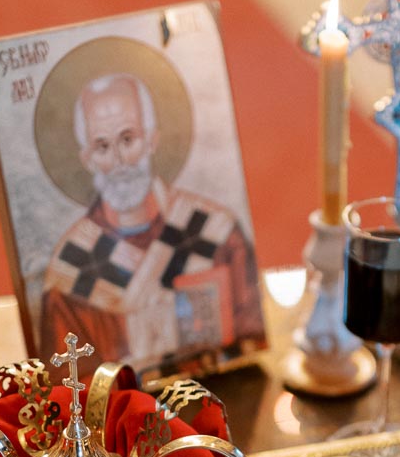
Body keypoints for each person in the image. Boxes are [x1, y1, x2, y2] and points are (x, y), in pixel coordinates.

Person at [39, 72, 264, 372]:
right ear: (87, 158)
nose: (119, 161)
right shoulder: (72, 268)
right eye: (103, 147)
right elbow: (67, 390)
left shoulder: (217, 234)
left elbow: (248, 348)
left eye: (128, 139)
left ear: (152, 140)